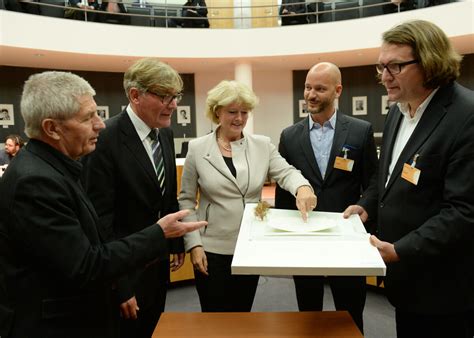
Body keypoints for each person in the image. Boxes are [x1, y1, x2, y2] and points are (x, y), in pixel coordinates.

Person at [0, 71, 206, 338]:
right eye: (88, 118)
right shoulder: (36, 181)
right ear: (52, 128)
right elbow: (85, 265)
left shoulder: (55, 168)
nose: (100, 124)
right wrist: (159, 233)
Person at [344, 20, 474, 338]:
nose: (384, 77)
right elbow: (386, 180)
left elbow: (464, 211)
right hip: (407, 281)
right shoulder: (398, 112)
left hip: (446, 288)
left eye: (396, 67)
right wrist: (366, 207)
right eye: (381, 67)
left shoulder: (466, 115)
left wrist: (401, 249)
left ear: (430, 63)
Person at [178, 80, 317, 312]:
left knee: (243, 314)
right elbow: (186, 200)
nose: (239, 118)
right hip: (211, 248)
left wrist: (302, 188)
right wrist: (194, 245)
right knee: (214, 318)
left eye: (244, 112)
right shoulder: (197, 148)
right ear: (217, 112)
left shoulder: (262, 145)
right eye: (232, 112)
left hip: (249, 246)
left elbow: (286, 173)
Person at [81, 58, 185, 338]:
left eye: (175, 96)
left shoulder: (164, 134)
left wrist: (175, 242)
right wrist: (120, 284)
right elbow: (100, 221)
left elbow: (165, 197)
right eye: (165, 96)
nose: (173, 104)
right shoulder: (105, 139)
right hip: (124, 271)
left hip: (158, 264)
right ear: (135, 95)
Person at [274, 62, 378, 333]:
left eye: (320, 89)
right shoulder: (289, 136)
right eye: (308, 88)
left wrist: (365, 208)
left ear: (337, 90)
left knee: (351, 312)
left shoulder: (360, 131)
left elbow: (374, 182)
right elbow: (284, 192)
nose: (311, 94)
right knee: (308, 314)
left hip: (347, 235)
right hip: (303, 235)